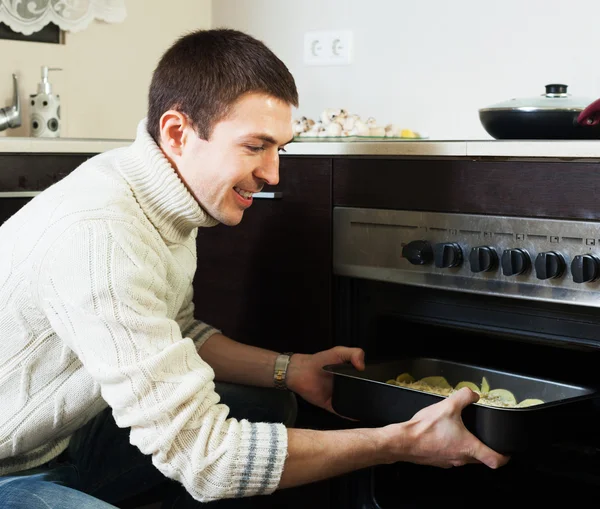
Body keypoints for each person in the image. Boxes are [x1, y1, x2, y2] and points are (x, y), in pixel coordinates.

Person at [0, 28, 509, 508]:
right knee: (211, 448)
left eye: (279, 148)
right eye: (255, 146)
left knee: (262, 405)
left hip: (62, 441)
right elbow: (209, 459)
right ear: (177, 131)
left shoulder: (159, 197)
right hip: (10, 469)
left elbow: (175, 333)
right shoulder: (103, 235)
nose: (272, 172)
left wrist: (291, 371)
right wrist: (399, 442)